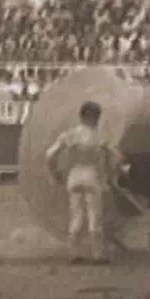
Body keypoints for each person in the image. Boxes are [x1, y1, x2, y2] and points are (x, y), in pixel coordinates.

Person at [44, 101, 121, 262]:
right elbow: (116, 157)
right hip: (92, 176)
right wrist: (111, 174)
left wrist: (55, 172)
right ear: (95, 117)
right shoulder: (98, 136)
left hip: (73, 176)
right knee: (94, 215)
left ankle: (74, 253)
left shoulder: (69, 135)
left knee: (76, 215)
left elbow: (49, 155)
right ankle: (98, 255)